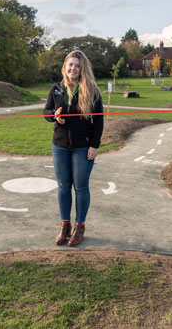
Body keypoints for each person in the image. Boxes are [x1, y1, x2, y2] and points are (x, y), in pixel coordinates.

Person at [43, 50, 104, 247]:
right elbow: (46, 112)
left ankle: (79, 227)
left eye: (77, 66)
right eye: (70, 65)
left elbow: (99, 121)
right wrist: (54, 115)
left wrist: (94, 145)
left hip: (82, 147)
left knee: (80, 187)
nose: (73, 69)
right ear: (65, 66)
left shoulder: (92, 91)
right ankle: (65, 226)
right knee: (63, 186)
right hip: (59, 146)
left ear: (82, 69)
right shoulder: (56, 89)